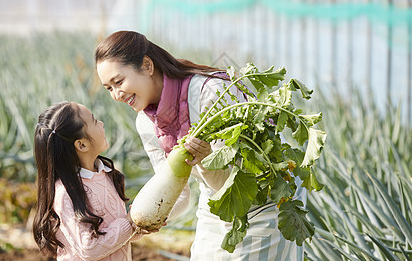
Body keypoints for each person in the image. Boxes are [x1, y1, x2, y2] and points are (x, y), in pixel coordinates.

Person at [94, 31, 307, 260]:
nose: (116, 94)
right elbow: (179, 192)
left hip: (265, 198)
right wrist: (143, 219)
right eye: (109, 88)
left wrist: (206, 160)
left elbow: (235, 178)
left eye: (119, 82)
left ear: (147, 65)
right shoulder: (145, 123)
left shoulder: (210, 91)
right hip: (215, 201)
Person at [33, 101, 149, 261]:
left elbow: (114, 236)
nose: (101, 123)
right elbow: (90, 249)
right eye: (94, 120)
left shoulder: (107, 175)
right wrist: (128, 223)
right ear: (82, 144)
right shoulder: (66, 193)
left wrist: (139, 226)